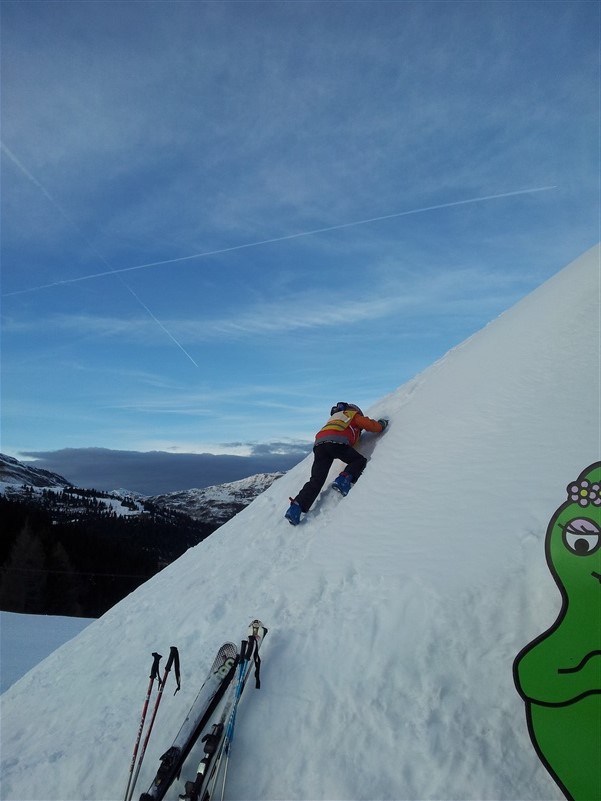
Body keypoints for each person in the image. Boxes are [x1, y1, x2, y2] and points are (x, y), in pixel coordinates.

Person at [285, 402, 388, 525]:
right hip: (336, 442)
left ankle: (296, 507)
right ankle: (343, 481)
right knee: (358, 460)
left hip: (319, 446)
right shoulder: (352, 414)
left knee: (316, 479)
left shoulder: (333, 419)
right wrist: (381, 425)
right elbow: (369, 425)